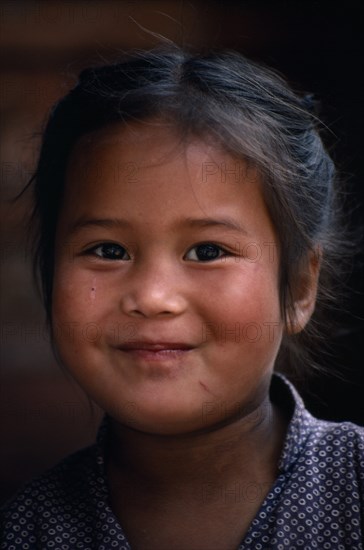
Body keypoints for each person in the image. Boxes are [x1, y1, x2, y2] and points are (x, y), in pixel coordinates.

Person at [1, 47, 363, 550]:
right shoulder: (26, 529)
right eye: (108, 250)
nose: (153, 297)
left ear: (299, 287)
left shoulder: (356, 491)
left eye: (208, 250)